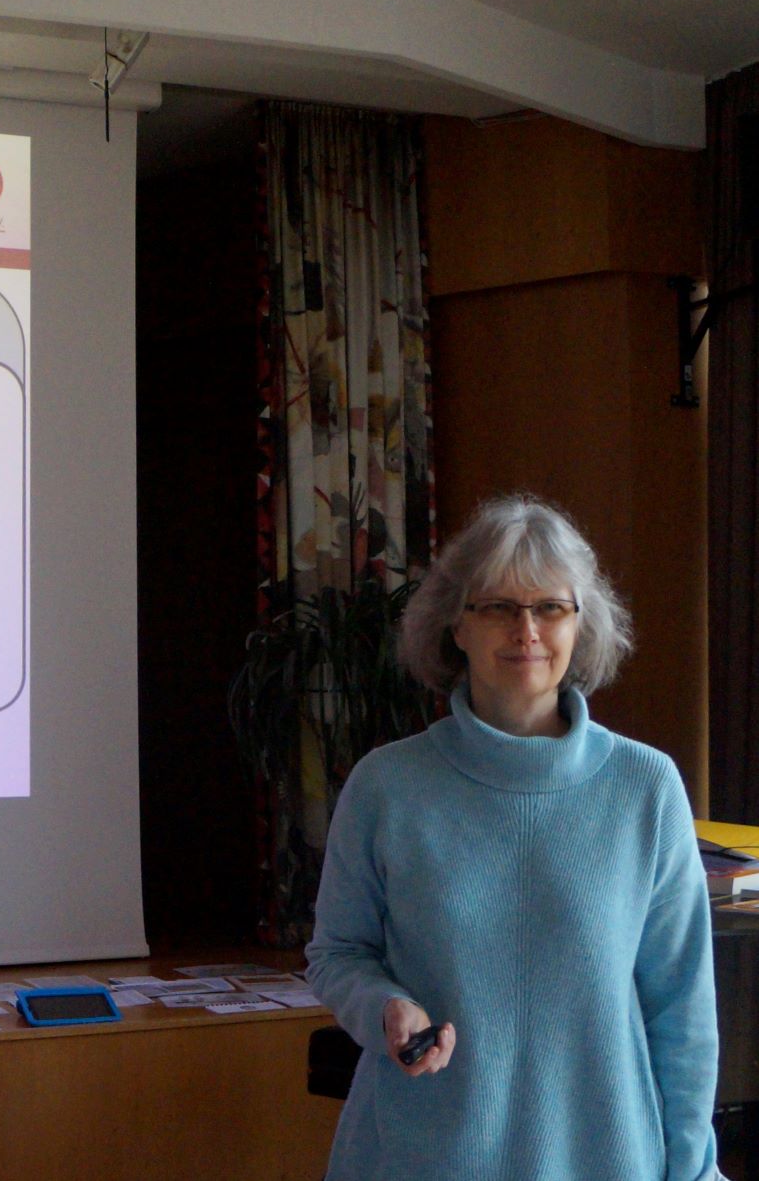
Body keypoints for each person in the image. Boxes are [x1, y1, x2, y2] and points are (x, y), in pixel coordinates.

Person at [305, 494, 721, 1180]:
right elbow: (336, 952)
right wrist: (383, 1006)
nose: (525, 629)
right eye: (498, 606)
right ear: (455, 625)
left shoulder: (645, 787)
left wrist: (693, 1169)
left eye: (549, 607)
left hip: (606, 1157)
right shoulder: (387, 785)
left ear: (580, 622)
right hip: (421, 1155)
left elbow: (681, 1010)